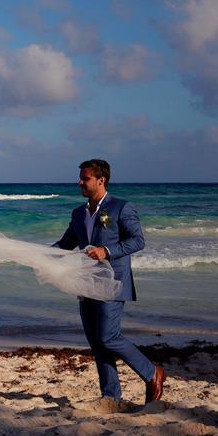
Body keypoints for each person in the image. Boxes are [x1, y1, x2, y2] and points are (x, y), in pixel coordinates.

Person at [53, 158, 165, 411]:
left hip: (113, 282)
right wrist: (39, 254)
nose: (79, 182)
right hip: (86, 283)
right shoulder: (78, 213)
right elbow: (66, 243)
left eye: (85, 178)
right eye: (80, 177)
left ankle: (153, 373)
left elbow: (138, 241)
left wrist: (107, 250)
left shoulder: (121, 208)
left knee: (108, 336)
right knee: (96, 341)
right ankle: (111, 396)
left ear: (101, 180)